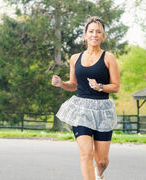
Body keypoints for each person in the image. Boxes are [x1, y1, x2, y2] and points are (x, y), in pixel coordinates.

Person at [51, 16, 120, 180]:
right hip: (81, 109)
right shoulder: (75, 58)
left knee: (101, 160)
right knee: (86, 153)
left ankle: (98, 173)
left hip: (103, 110)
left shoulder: (109, 58)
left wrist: (100, 87)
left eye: (98, 32)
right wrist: (62, 83)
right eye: (91, 31)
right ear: (85, 35)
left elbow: (116, 86)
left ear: (103, 36)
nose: (94, 35)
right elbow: (73, 85)